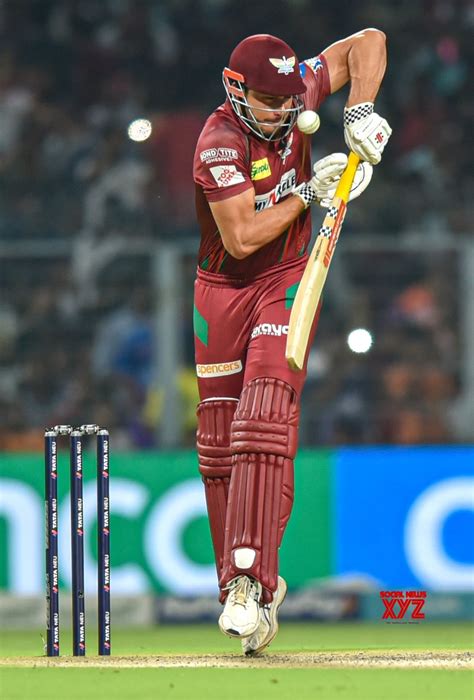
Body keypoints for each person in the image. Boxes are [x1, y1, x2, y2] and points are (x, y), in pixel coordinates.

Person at [192, 30, 391, 655]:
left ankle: (253, 578)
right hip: (222, 289)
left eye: (289, 101)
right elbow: (243, 237)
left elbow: (369, 42)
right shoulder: (218, 142)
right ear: (237, 90)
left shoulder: (295, 86)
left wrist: (359, 107)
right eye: (270, 103)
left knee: (266, 413)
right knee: (219, 441)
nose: (286, 113)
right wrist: (311, 193)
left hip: (285, 280)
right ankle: (240, 588)